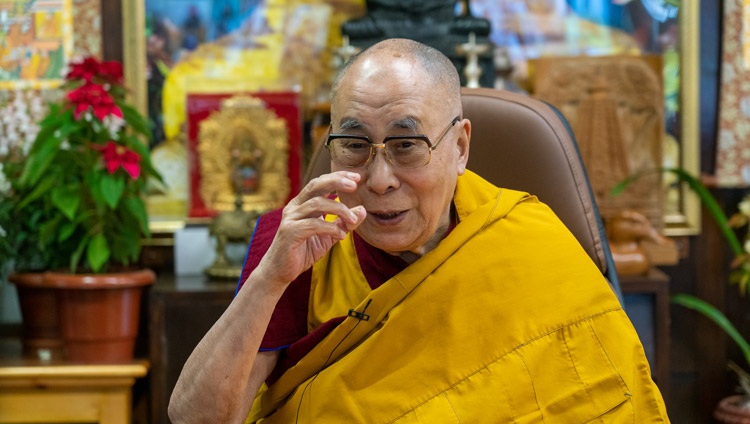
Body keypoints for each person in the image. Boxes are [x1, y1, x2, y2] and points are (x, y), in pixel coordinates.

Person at [169, 38, 669, 423]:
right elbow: (197, 418)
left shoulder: (529, 240)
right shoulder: (300, 243)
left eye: (407, 145)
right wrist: (269, 279)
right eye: (354, 144)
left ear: (460, 147)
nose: (379, 180)